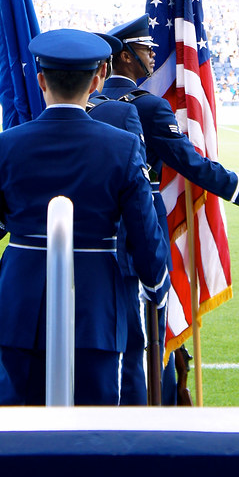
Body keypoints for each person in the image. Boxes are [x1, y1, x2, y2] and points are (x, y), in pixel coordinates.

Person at [0, 28, 170, 407]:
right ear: (97, 80)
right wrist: (157, 289)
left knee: (20, 431)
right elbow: (146, 240)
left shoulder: (4, 144)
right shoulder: (124, 146)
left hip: (20, 305)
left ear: (41, 80)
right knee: (95, 431)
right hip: (97, 305)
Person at [103, 14, 239, 404]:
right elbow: (191, 163)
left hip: (92, 241)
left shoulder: (91, 105)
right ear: (127, 57)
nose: (154, 54)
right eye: (147, 49)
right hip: (136, 239)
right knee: (143, 338)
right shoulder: (146, 106)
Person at [86, 33, 156, 405]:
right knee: (127, 360)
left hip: (38, 282)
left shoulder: (6, 143)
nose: (153, 56)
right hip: (118, 258)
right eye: (146, 50)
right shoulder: (129, 111)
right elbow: (139, 203)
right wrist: (157, 279)